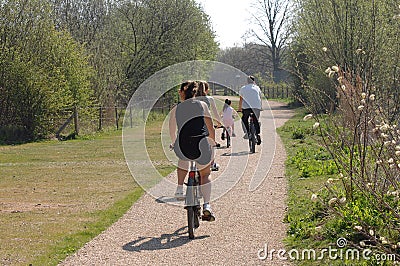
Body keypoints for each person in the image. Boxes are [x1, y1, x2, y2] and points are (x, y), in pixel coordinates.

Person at [169, 80, 216, 221]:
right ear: (195, 92)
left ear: (182, 93)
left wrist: (174, 143)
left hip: (184, 145)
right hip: (201, 145)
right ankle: (207, 205)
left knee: (182, 157)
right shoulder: (202, 105)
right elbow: (210, 127)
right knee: (205, 174)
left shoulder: (176, 108)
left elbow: (171, 127)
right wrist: (212, 142)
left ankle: (179, 188)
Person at [196, 81, 222, 171]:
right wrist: (219, 123)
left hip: (195, 124)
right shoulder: (209, 99)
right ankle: (212, 163)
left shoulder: (193, 99)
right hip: (207, 123)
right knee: (212, 142)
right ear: (206, 90)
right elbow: (215, 113)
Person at [238, 75, 263, 145]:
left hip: (246, 108)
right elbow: (260, 98)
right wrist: (260, 107)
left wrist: (239, 108)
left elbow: (241, 99)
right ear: (254, 81)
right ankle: (258, 134)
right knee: (256, 120)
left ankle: (247, 132)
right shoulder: (257, 88)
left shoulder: (243, 88)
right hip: (256, 107)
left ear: (247, 81)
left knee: (244, 119)